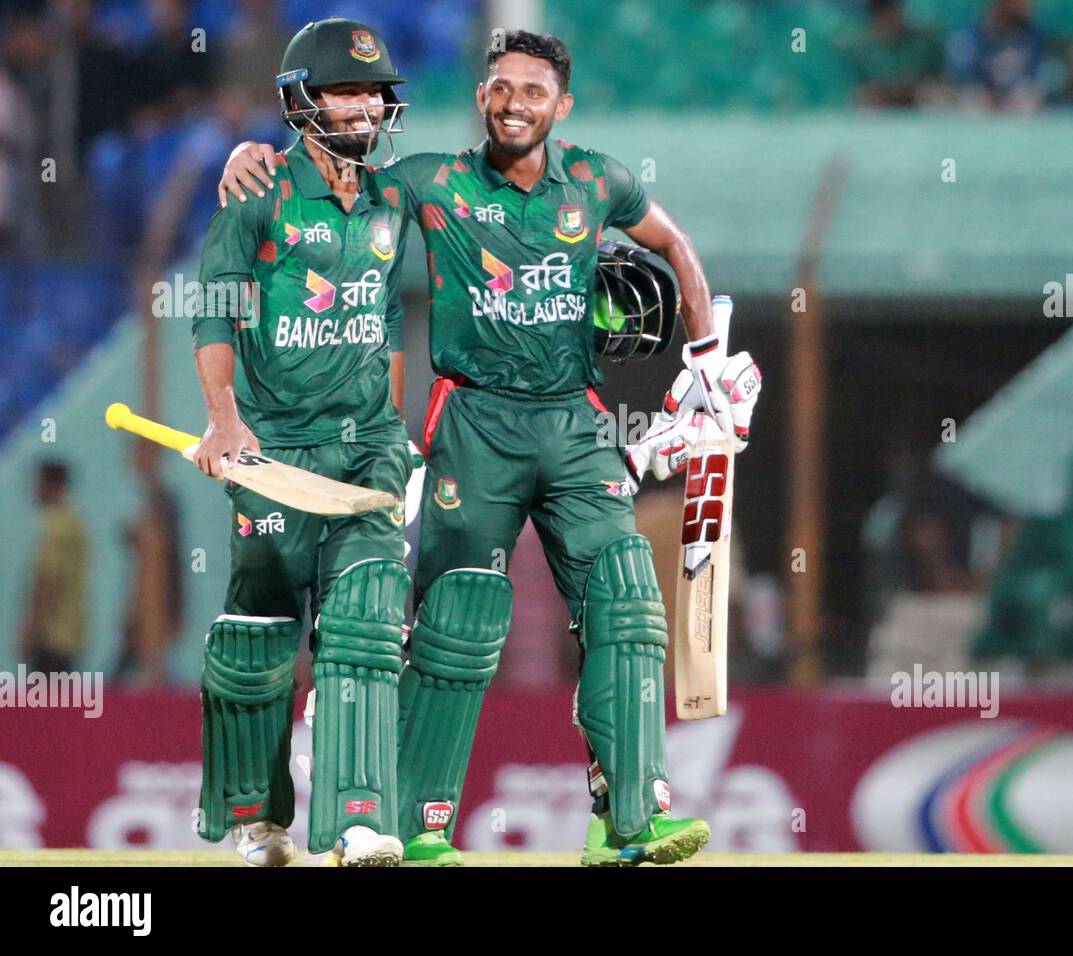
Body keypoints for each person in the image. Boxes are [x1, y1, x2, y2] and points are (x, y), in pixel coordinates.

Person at [220, 30, 762, 867]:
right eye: (500, 88)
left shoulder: (596, 179)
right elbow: (333, 171)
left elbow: (674, 247)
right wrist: (255, 151)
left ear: (562, 106)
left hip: (575, 426)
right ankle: (420, 824)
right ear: (482, 96)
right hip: (473, 425)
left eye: (533, 92)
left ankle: (630, 819)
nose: (515, 103)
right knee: (457, 623)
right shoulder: (430, 182)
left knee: (626, 596)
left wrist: (705, 364)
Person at [191, 18, 413, 867]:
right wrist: (223, 421)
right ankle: (261, 819)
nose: (362, 107)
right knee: (260, 638)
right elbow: (214, 309)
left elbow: (389, 322)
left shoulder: (393, 198)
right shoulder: (258, 194)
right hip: (275, 450)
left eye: (371, 92)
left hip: (369, 450)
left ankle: (358, 821)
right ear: (300, 101)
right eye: (343, 91)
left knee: (363, 622)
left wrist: (398, 441)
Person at [19, 461, 88, 674]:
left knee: (45, 703)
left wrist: (32, 627)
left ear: (52, 485)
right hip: (71, 634)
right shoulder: (76, 525)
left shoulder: (57, 528)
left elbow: (49, 580)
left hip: (51, 638)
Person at [854, 0, 946, 109]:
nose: (891, 21)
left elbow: (942, 81)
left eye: (894, 13)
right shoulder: (860, 49)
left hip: (921, 103)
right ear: (874, 18)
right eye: (885, 17)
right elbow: (856, 91)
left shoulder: (926, 43)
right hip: (878, 110)